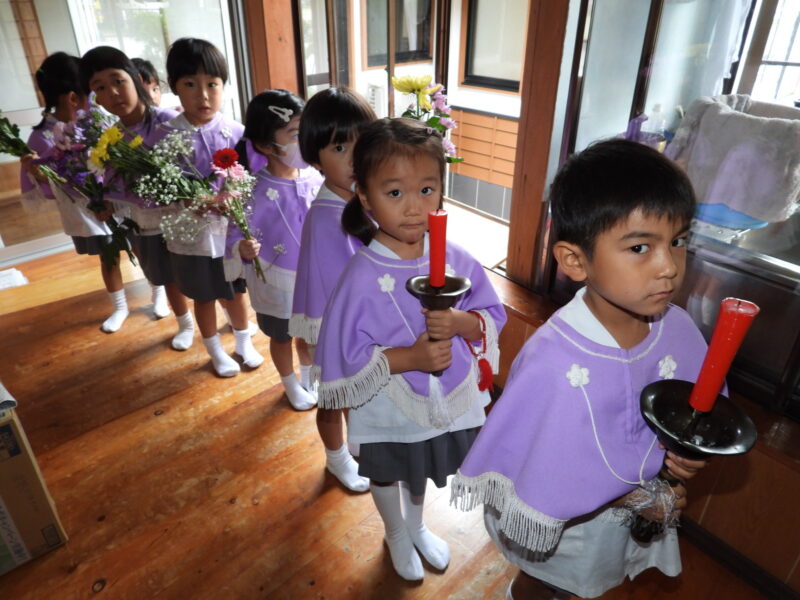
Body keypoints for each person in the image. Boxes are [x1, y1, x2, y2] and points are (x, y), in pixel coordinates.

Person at [451, 138, 709, 599]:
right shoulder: (554, 360)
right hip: (571, 527)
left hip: (637, 512)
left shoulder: (679, 328)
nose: (669, 266)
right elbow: (549, 465)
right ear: (574, 260)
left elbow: (696, 411)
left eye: (678, 241)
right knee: (551, 586)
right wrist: (641, 496)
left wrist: (686, 455)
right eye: (640, 247)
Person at [314, 118, 506, 581]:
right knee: (388, 469)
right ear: (365, 196)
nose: (415, 207)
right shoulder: (360, 274)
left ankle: (416, 525)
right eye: (395, 192)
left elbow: (490, 315)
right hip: (386, 399)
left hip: (445, 394)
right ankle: (395, 532)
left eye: (427, 189)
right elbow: (344, 355)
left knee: (418, 466)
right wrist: (410, 359)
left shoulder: (455, 257)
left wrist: (461, 322)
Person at [289, 87, 376, 492]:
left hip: (353, 325)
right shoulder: (327, 216)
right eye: (340, 147)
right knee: (335, 399)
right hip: (335, 329)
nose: (354, 158)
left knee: (348, 396)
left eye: (362, 142)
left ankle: (352, 451)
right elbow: (340, 288)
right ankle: (338, 458)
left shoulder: (361, 198)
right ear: (315, 157)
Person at [80, 46, 193, 345]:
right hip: (147, 222)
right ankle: (185, 325)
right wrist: (105, 203)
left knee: (204, 273)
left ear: (135, 79)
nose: (113, 93)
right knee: (166, 276)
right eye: (100, 88)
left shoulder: (169, 121)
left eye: (118, 81)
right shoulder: (110, 138)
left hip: (185, 217)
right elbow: (112, 182)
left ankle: (233, 323)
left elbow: (193, 166)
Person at [163, 37, 262, 377]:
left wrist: (233, 194)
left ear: (223, 86)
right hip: (190, 236)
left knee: (234, 291)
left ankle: (244, 341)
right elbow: (162, 187)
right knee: (203, 296)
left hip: (228, 234)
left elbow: (249, 177)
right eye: (190, 84)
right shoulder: (167, 136)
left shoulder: (236, 131)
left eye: (212, 84)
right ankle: (215, 351)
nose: (203, 95)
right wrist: (191, 200)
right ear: (174, 86)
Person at [223, 90, 321, 409]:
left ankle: (309, 378)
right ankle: (290, 384)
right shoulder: (253, 189)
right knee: (282, 335)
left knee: (308, 332)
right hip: (276, 281)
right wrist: (242, 248)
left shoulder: (316, 177)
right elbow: (234, 233)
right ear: (266, 145)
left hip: (313, 277)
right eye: (294, 134)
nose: (304, 141)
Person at [20, 52, 129, 333]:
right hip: (86, 210)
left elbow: (119, 159)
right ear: (73, 97)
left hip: (117, 200)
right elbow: (48, 187)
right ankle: (120, 306)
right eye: (90, 92)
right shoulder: (40, 137)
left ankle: (158, 292)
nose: (95, 100)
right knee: (108, 256)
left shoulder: (98, 121)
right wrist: (37, 172)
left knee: (140, 247)